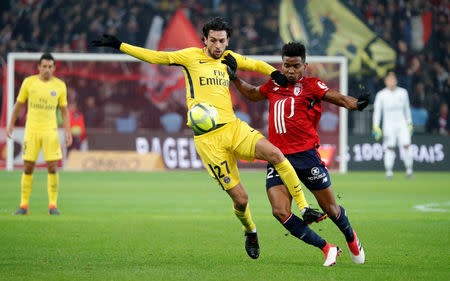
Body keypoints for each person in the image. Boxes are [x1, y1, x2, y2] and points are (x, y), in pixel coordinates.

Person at [92, 17, 326, 260]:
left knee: (276, 154)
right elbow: (156, 56)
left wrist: (274, 73)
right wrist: (120, 45)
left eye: (222, 41)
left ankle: (304, 207)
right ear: (204, 40)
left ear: (227, 41)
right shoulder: (190, 57)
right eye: (213, 40)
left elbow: (254, 64)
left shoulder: (229, 58)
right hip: (208, 141)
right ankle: (250, 230)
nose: (217, 45)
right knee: (241, 200)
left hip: (233, 128)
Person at [223, 42, 368, 266]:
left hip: (307, 156)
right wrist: (234, 78)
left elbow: (337, 98)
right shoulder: (274, 84)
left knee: (330, 209)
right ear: (282, 64)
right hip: (278, 156)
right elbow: (252, 94)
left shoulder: (312, 85)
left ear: (305, 65)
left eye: (296, 66)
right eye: (286, 65)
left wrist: (356, 104)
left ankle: (351, 238)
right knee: (280, 211)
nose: (290, 71)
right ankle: (326, 247)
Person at [7, 53, 72, 215]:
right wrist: (11, 124)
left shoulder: (60, 86)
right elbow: (18, 105)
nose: (47, 70)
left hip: (50, 131)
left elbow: (64, 112)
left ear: (54, 68)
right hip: (32, 131)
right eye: (44, 66)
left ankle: (52, 205)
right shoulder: (29, 83)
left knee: (52, 167)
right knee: (28, 167)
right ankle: (23, 206)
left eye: (50, 67)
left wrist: (68, 131)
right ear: (38, 67)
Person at [373, 72, 413, 179]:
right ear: (386, 81)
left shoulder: (403, 93)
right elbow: (377, 112)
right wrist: (376, 126)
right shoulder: (381, 95)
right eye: (389, 80)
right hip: (388, 124)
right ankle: (389, 172)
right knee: (390, 147)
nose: (391, 82)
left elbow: (407, 109)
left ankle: (409, 170)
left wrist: (409, 123)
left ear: (396, 81)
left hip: (402, 123)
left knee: (406, 145)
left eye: (393, 79)